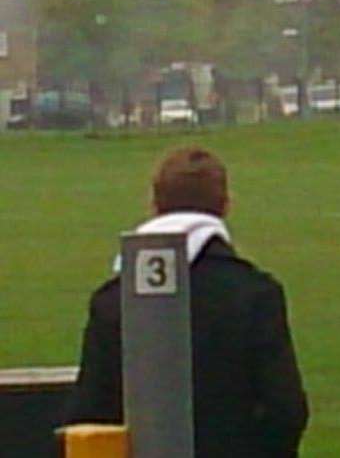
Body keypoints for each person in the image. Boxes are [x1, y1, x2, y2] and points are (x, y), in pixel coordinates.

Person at [65, 147, 310, 457]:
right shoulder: (256, 294)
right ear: (225, 205)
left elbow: (90, 414)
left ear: (155, 205)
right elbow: (285, 409)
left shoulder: (112, 300)